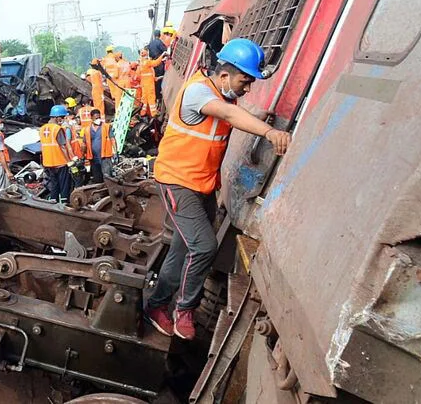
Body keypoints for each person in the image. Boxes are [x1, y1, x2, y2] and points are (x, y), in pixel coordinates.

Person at [144, 39, 292, 341]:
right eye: (245, 81)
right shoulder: (198, 91)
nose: (247, 88)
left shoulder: (221, 93)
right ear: (225, 75)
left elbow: (234, 111)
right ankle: (184, 309)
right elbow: (227, 115)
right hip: (177, 181)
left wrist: (259, 118)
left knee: (183, 248)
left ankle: (156, 304)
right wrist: (269, 132)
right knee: (204, 246)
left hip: (202, 184)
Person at [40, 104, 75, 203]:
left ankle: (53, 202)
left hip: (48, 162)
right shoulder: (57, 129)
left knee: (54, 184)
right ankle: (64, 203)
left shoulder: (42, 129)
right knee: (64, 185)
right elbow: (63, 147)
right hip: (60, 161)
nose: (63, 119)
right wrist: (69, 161)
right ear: (57, 117)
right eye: (62, 117)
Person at [82, 109, 115, 183]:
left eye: (99, 117)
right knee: (97, 177)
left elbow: (112, 139)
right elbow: (84, 143)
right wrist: (83, 155)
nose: (98, 120)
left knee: (107, 176)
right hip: (93, 157)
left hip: (105, 156)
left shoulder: (106, 127)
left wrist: (115, 151)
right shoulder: (87, 129)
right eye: (96, 118)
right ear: (92, 118)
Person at [138, 48, 166, 117]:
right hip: (149, 84)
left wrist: (159, 77)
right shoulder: (147, 62)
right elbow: (155, 63)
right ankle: (154, 114)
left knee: (144, 99)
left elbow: (148, 73)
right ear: (146, 53)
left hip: (144, 84)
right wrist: (162, 55)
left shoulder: (142, 62)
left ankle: (143, 113)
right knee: (151, 98)